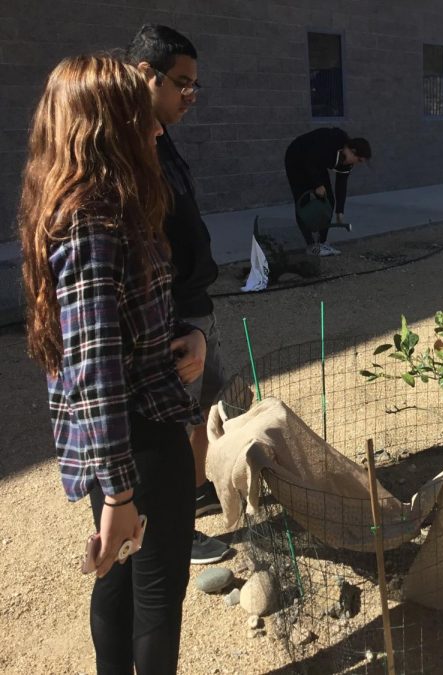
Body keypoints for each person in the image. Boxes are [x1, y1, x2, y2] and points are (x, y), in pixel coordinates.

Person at [19, 53, 202, 674]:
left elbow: (129, 314)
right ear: (104, 124)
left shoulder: (93, 203)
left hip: (124, 437)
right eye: (139, 116)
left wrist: (188, 336)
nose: (155, 127)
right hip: (138, 439)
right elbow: (93, 365)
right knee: (154, 596)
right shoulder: (93, 216)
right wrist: (121, 493)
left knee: (121, 583)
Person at [126, 24, 231, 565]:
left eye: (195, 85)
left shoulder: (161, 137)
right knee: (173, 421)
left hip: (196, 306)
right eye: (182, 83)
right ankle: (173, 529)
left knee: (209, 404)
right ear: (147, 75)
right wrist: (171, 323)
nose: (191, 95)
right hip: (172, 315)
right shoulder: (129, 148)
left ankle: (191, 498)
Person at [284, 127, 372, 256]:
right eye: (359, 160)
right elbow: (309, 161)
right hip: (297, 158)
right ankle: (311, 246)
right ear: (353, 151)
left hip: (316, 163)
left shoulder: (347, 162)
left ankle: (322, 243)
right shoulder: (330, 142)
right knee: (303, 200)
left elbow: (341, 184)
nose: (358, 164)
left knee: (328, 199)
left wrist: (340, 211)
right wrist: (318, 184)